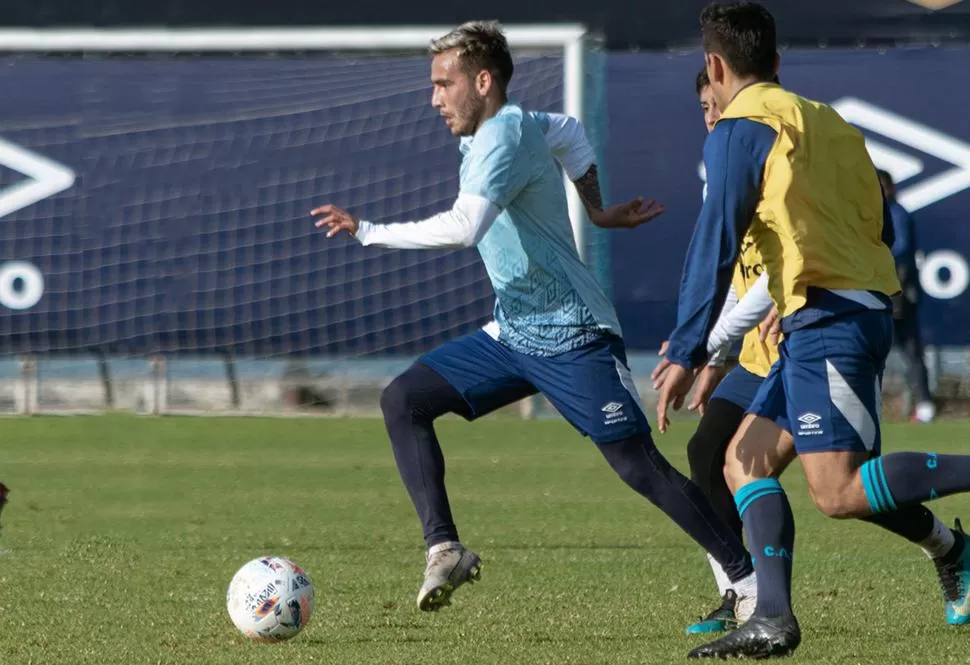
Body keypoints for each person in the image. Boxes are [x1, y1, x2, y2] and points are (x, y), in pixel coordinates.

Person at [312, 19, 761, 616]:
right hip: (515, 333)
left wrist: (369, 232)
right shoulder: (516, 126)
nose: (434, 98)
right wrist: (597, 213)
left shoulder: (501, 136)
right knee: (404, 400)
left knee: (639, 468)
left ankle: (748, 580)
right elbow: (570, 133)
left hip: (573, 333)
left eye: (444, 84)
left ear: (483, 80)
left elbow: (465, 226)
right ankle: (444, 545)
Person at [654, 2, 970, 658]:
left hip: (832, 318)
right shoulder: (828, 121)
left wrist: (689, 347)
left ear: (714, 66)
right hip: (827, 310)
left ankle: (957, 548)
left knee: (840, 489)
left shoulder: (738, 129)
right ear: (776, 60)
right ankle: (771, 613)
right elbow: (876, 224)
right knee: (746, 460)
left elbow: (714, 240)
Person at [663, 66, 778, 635]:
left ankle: (946, 545)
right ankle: (742, 592)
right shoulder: (721, 171)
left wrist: (706, 346)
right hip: (754, 355)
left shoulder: (771, 150)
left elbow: (770, 277)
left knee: (849, 488)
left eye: (717, 105)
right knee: (708, 455)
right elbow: (735, 273)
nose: (712, 117)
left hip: (803, 342)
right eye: (704, 110)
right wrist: (718, 360)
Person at [877, 169, 936, 423]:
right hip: (883, 291)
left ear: (891, 188)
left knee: (911, 349)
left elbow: (899, 249)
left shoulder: (896, 213)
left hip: (898, 293)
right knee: (874, 349)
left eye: (882, 186)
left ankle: (924, 405)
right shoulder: (873, 213)